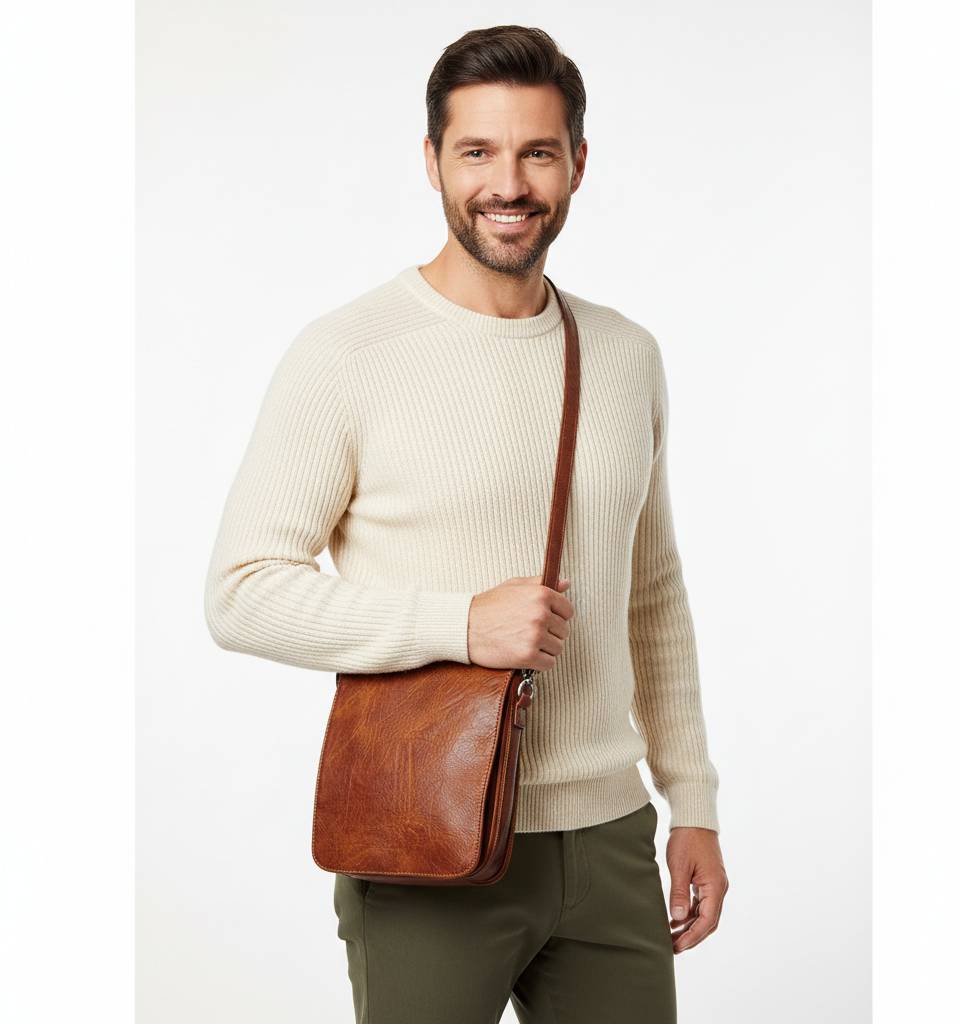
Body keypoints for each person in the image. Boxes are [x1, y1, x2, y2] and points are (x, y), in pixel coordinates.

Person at [204, 23, 728, 1024]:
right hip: (423, 839)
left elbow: (651, 592)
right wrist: (460, 624)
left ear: (578, 163)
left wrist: (691, 803)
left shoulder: (623, 354)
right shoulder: (348, 353)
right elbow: (239, 593)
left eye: (538, 152)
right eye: (477, 151)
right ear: (433, 160)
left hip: (610, 838)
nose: (508, 184)